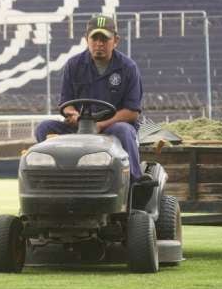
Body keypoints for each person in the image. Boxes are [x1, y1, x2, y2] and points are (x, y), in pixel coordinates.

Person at [34, 14, 147, 182]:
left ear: (115, 41)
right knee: (43, 128)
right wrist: (73, 115)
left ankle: (134, 180)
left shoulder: (128, 68)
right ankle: (53, 177)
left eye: (104, 39)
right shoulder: (73, 65)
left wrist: (101, 125)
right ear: (86, 39)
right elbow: (66, 104)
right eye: (95, 38)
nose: (99, 44)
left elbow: (132, 112)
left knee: (124, 130)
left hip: (112, 126)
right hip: (81, 126)